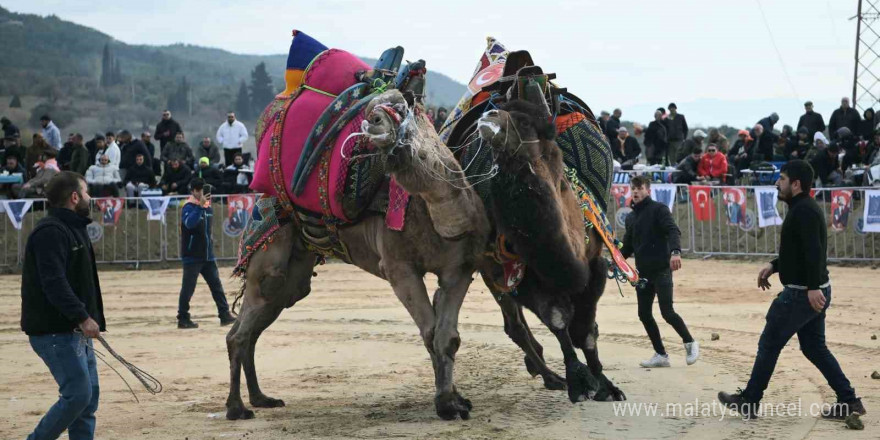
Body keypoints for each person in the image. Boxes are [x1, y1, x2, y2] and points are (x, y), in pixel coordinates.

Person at [719, 160, 866, 420]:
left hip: (801, 294)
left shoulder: (804, 211)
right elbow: (798, 252)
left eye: (782, 179)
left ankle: (749, 400)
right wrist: (774, 265)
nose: (777, 183)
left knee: (769, 343)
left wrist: (811, 288)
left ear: (796, 184)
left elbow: (814, 252)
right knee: (814, 348)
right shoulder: (801, 208)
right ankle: (849, 401)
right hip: (811, 290)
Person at [20, 171, 105, 440]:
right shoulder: (51, 233)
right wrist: (83, 317)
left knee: (88, 399)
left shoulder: (74, 227)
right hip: (55, 332)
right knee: (78, 395)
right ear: (75, 197)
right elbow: (54, 283)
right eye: (87, 192)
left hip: (75, 331)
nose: (90, 198)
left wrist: (87, 318)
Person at [621, 175, 698, 368]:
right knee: (644, 314)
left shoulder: (659, 209)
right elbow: (628, 247)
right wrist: (615, 259)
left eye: (639, 188)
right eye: (633, 188)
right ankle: (661, 355)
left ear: (648, 190)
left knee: (667, 312)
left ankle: (690, 343)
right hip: (642, 274)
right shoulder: (631, 217)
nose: (636, 191)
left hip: (662, 269)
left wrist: (675, 252)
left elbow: (673, 230)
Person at [177, 178, 236, 329]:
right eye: (202, 191)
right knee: (188, 288)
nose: (205, 194)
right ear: (194, 191)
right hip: (192, 255)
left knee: (216, 286)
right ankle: (183, 318)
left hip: (207, 255)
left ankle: (224, 314)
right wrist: (200, 208)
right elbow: (190, 224)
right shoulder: (188, 207)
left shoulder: (207, 208)